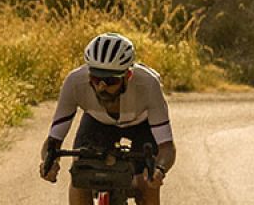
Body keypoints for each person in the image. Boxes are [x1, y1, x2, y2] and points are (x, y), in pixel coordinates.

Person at [38, 33, 176, 204]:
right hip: (98, 123)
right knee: (81, 176)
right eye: (96, 79)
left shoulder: (149, 84)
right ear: (89, 75)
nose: (102, 87)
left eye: (111, 81)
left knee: (147, 183)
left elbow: (167, 147)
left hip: (142, 124)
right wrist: (49, 161)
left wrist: (159, 170)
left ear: (128, 77)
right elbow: (53, 141)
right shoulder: (74, 83)